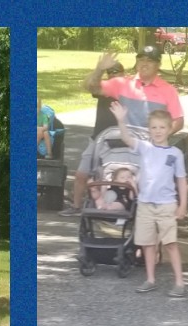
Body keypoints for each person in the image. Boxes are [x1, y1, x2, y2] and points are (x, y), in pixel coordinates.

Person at [109, 100, 187, 297]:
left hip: (166, 205)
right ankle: (150, 279)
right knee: (147, 243)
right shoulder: (144, 147)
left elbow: (181, 180)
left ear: (170, 129)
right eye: (154, 127)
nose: (158, 131)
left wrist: (183, 205)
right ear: (149, 130)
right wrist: (121, 120)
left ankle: (179, 282)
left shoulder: (176, 154)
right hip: (145, 203)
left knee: (170, 243)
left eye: (162, 127)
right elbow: (127, 139)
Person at [59, 60, 126, 217]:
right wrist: (99, 69)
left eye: (116, 73)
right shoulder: (104, 88)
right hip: (97, 138)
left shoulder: (127, 90)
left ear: (123, 74)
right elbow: (88, 85)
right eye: (110, 73)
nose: (113, 76)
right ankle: (76, 206)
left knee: (114, 176)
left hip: (119, 141)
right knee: (81, 174)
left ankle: (114, 208)